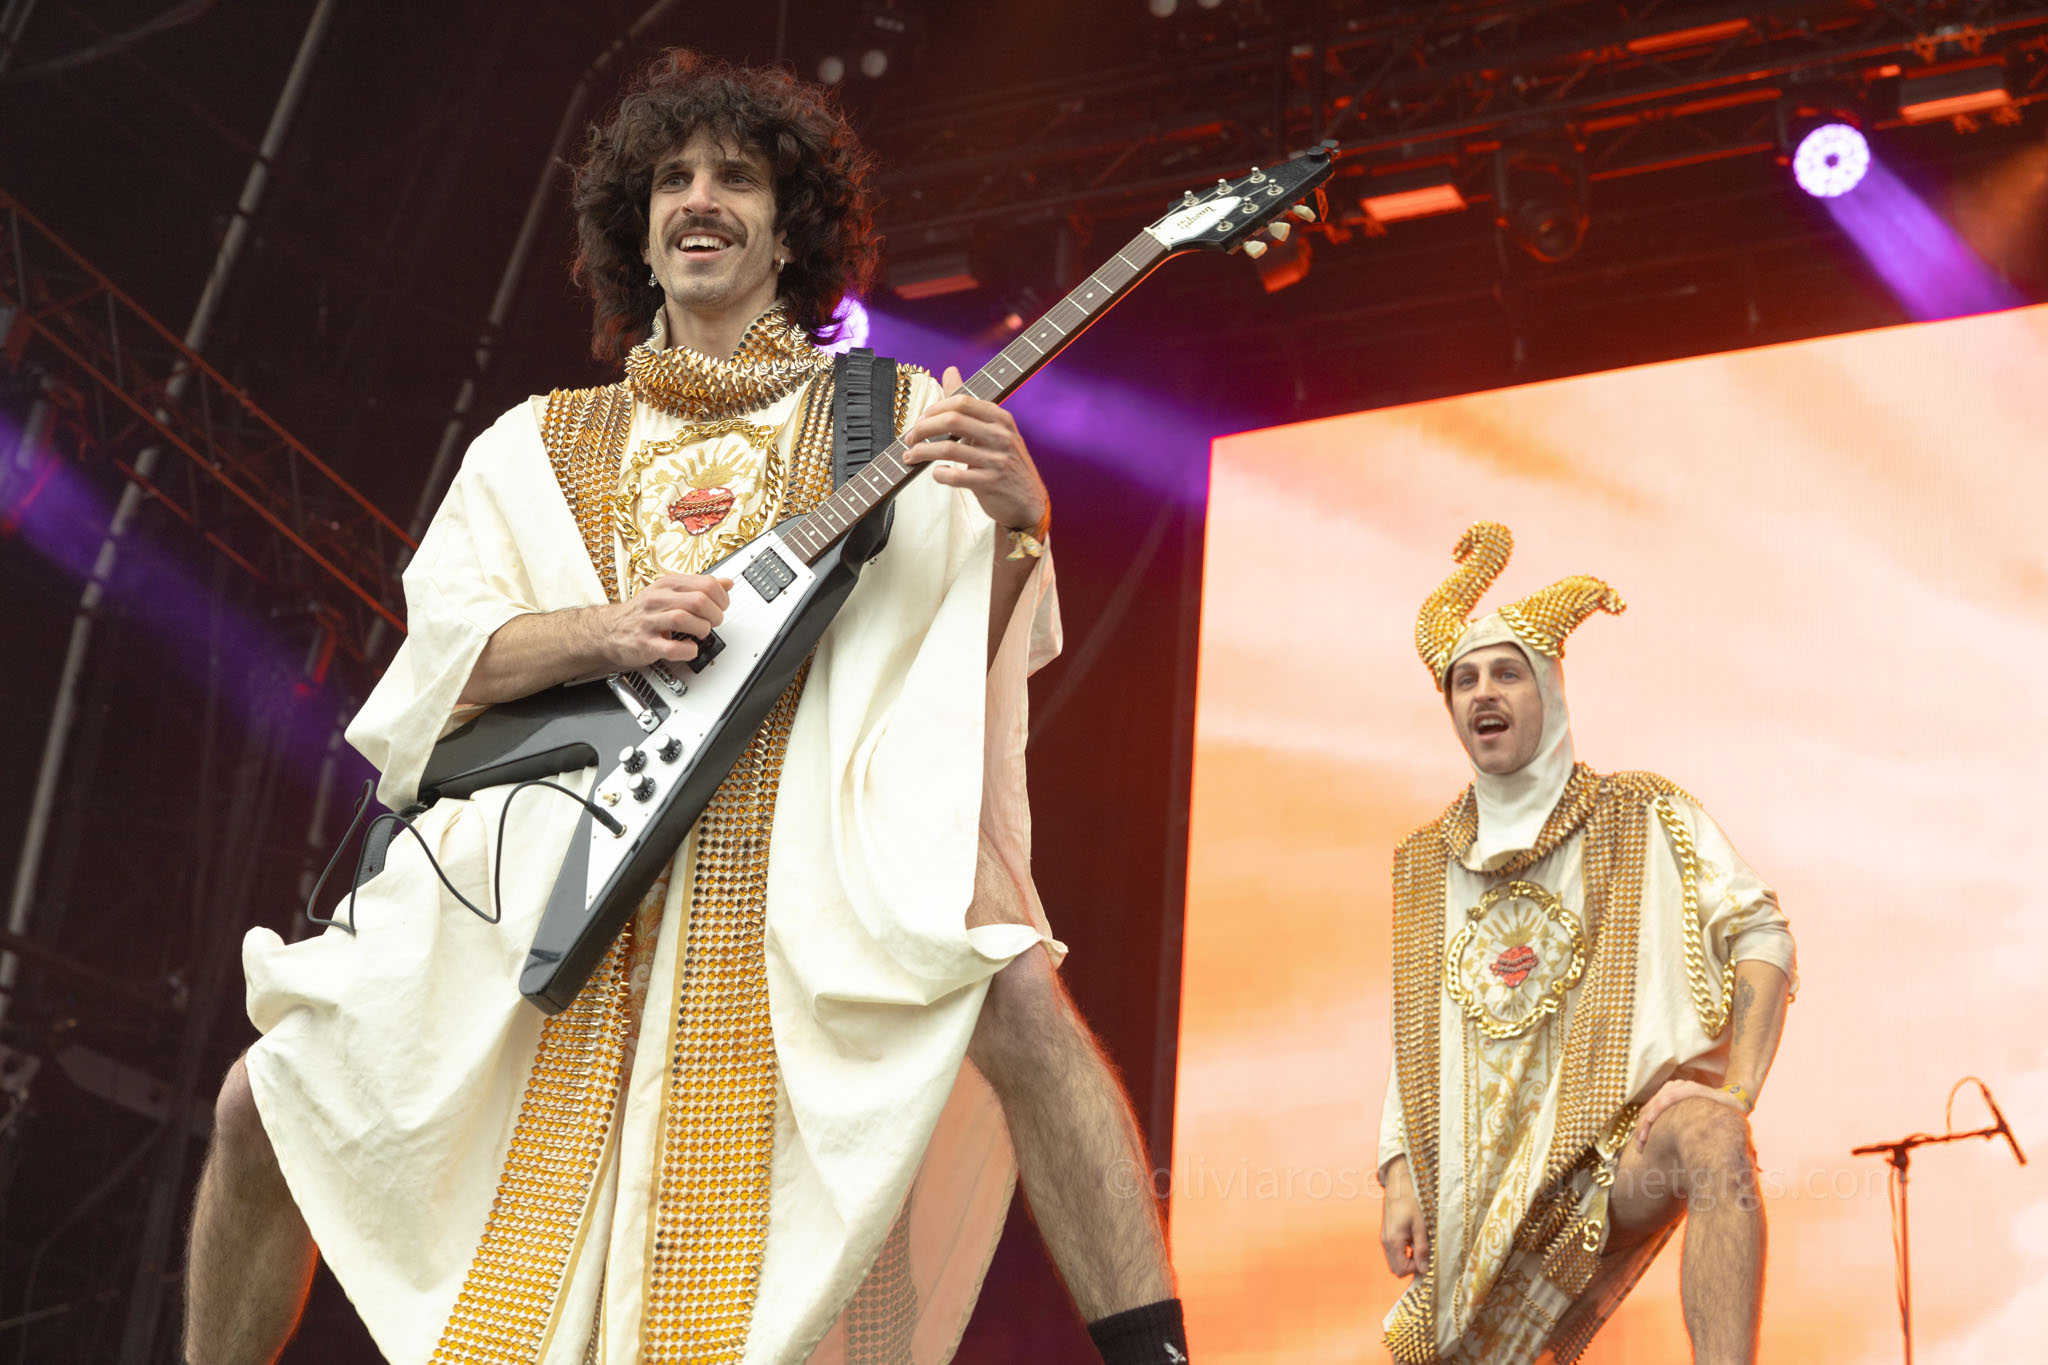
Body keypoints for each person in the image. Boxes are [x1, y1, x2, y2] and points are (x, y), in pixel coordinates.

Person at [182, 51, 1187, 1365]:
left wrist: (1018, 527)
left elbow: (948, 657)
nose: (699, 199)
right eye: (672, 179)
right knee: (261, 1098)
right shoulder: (535, 444)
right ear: (640, 232)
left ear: (790, 232)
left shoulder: (891, 417)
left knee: (1015, 993)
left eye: (737, 178)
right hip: (549, 874)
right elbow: (442, 670)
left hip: (797, 862)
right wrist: (607, 629)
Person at [1375, 521, 1795, 1365]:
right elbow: (1422, 1031)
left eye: (1506, 672)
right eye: (1464, 678)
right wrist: (1396, 1169)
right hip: (1481, 1190)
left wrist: (1737, 1088)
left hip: (1610, 1157)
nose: (1483, 691)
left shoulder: (1638, 814)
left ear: (1550, 690)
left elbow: (1761, 933)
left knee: (1712, 1139)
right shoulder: (1427, 862)